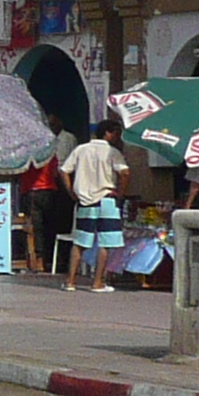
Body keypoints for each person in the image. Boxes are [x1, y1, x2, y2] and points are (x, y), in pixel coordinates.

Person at [62, 118, 127, 293]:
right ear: (108, 133)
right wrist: (120, 192)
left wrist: (71, 192)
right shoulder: (112, 152)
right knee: (105, 243)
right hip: (107, 199)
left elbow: (64, 170)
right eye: (116, 133)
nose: (118, 137)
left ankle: (70, 281)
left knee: (80, 242)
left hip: (84, 201)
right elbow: (125, 172)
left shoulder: (81, 150)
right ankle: (97, 282)